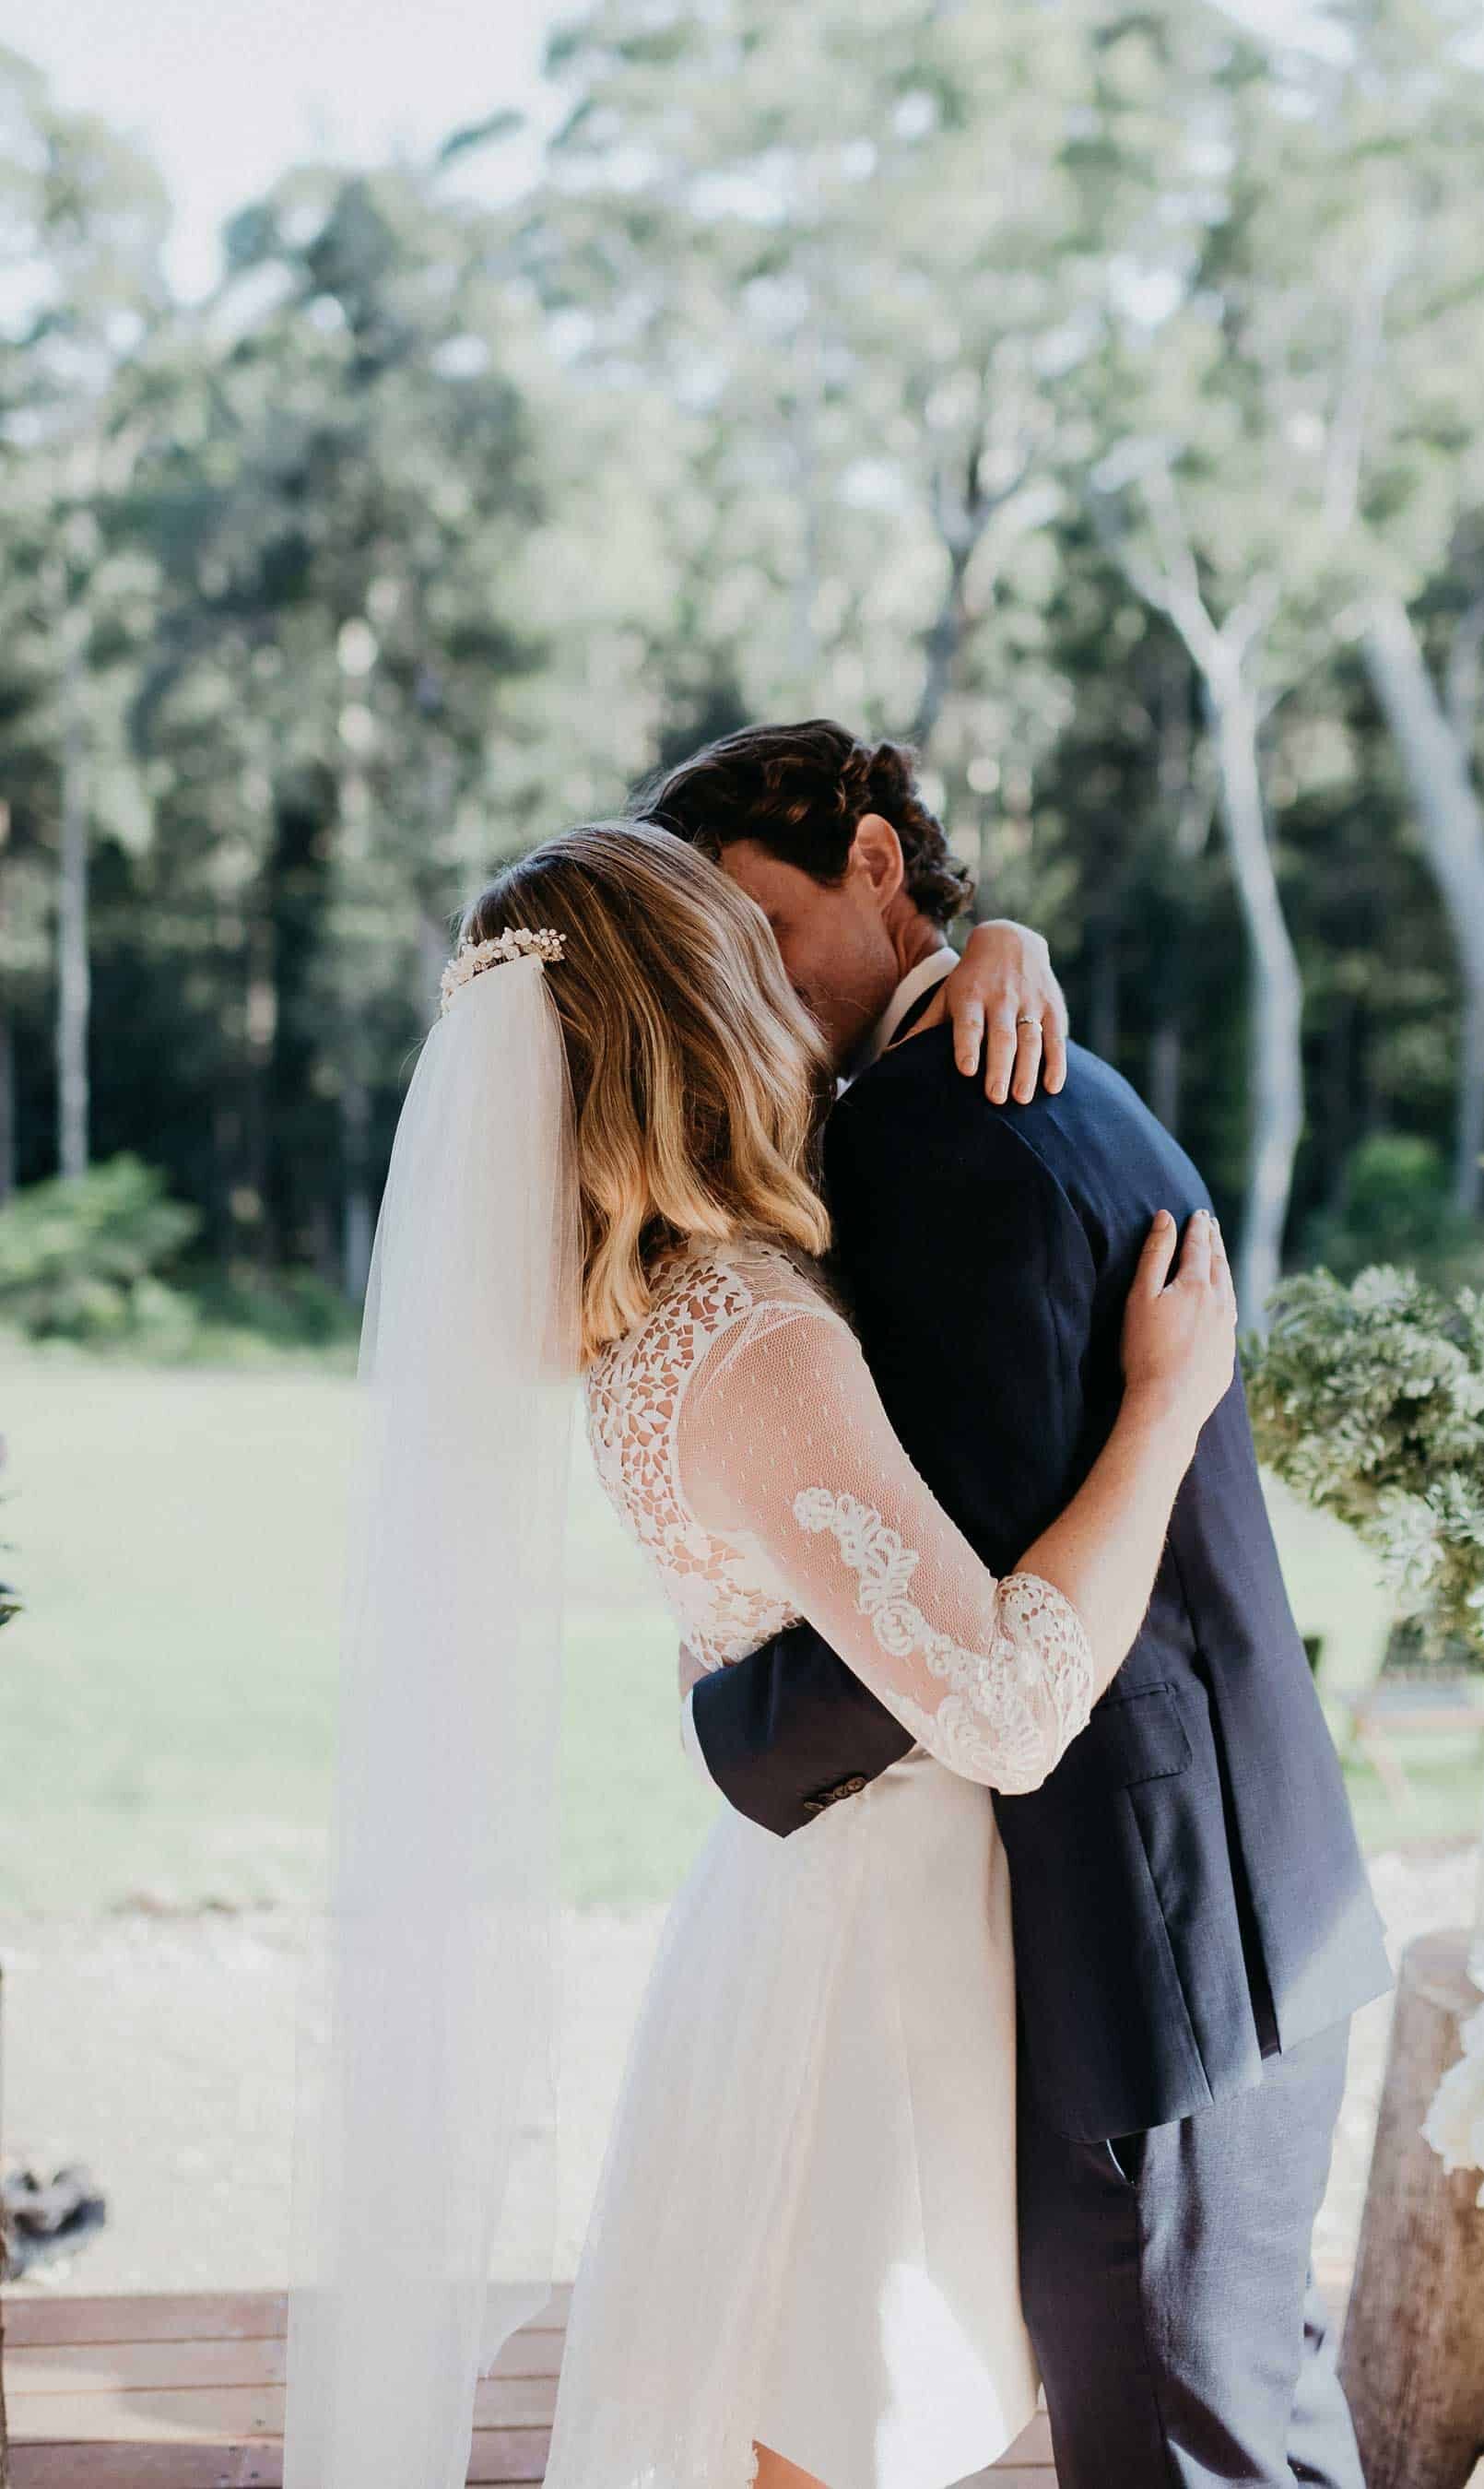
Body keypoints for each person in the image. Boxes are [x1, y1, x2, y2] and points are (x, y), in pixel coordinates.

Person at [283, 817, 1238, 2489]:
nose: (783, 981)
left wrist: (994, 944)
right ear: (695, 1013)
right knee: (826, 2435)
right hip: (871, 1966)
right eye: (741, 954)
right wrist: (1164, 1409)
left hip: (799, 1914)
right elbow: (1009, 1708)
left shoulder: (667, 1318)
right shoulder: (756, 1339)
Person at [638, 720, 1397, 2489]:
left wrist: (736, 1711)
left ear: (878, 867)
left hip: (1154, 1930)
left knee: (1182, 2449)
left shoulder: (938, 1135)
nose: (742, 977)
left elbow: (949, 1626)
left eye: (759, 922)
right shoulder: (1038, 1066)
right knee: (1255, 2425)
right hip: (1244, 1878)